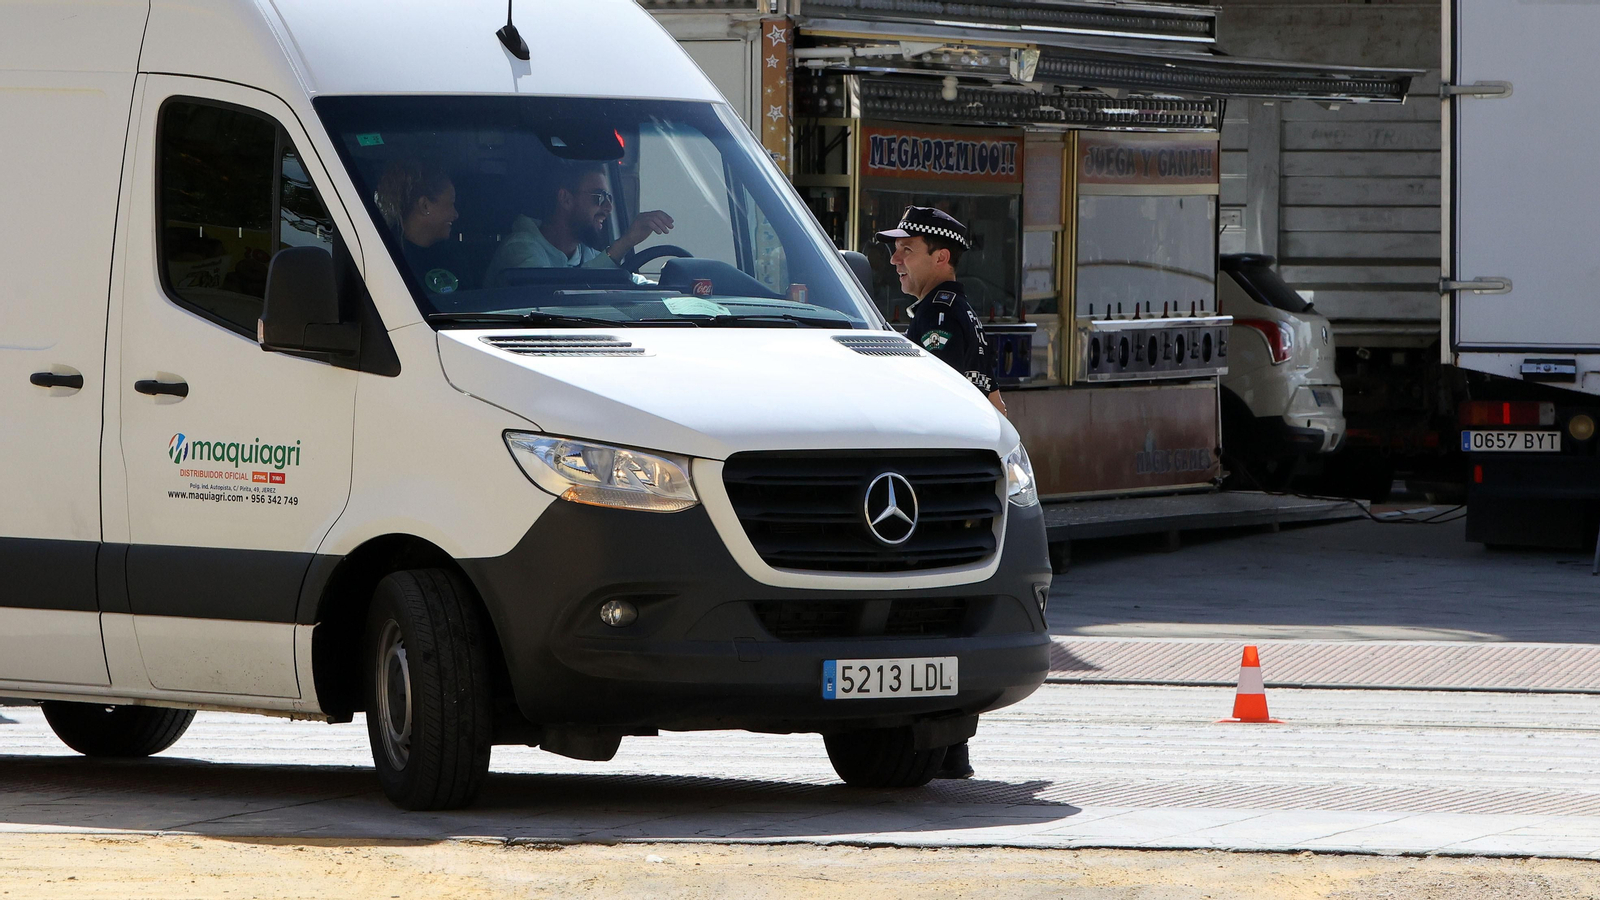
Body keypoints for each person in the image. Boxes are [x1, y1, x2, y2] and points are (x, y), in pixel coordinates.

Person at [877, 206, 1007, 417]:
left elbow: (939, 398)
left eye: (906, 250)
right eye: (896, 249)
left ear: (940, 258)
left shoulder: (937, 313)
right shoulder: (960, 309)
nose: (894, 259)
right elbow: (998, 405)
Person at [484, 162, 674, 287]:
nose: (608, 207)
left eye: (609, 198)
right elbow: (551, 297)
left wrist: (671, 288)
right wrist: (623, 244)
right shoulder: (520, 248)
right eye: (599, 197)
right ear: (566, 199)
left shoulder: (585, 253)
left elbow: (624, 281)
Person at [374, 159, 461, 294]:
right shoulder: (387, 259)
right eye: (451, 203)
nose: (456, 214)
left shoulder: (453, 255)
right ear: (424, 205)